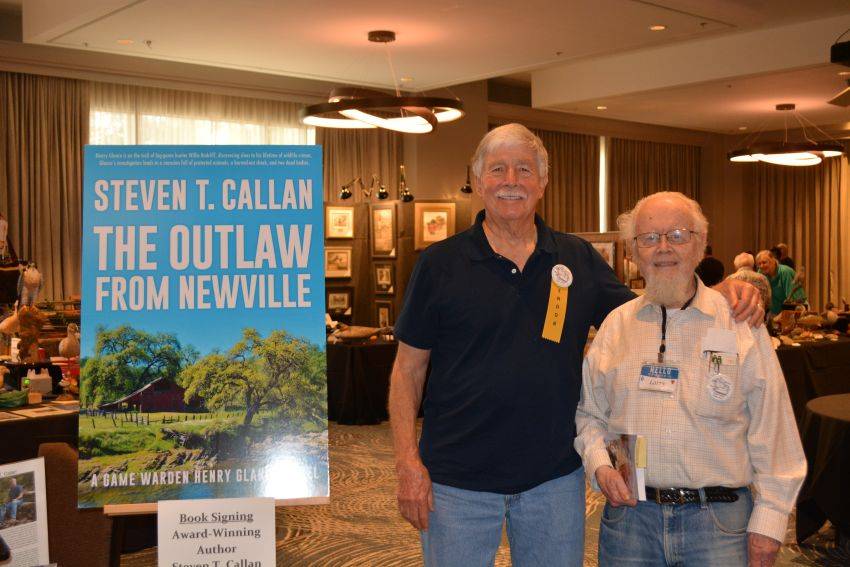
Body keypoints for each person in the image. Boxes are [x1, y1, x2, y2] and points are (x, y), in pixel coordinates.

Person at [389, 124, 763, 566]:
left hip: (553, 481)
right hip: (456, 483)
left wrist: (720, 291)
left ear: (543, 182)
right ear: (479, 179)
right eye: (498, 169)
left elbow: (650, 310)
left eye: (524, 169)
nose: (511, 180)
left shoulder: (576, 258)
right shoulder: (439, 264)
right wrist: (407, 464)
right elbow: (406, 370)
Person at [575, 192, 806, 567]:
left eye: (678, 235)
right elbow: (589, 415)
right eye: (649, 238)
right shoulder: (616, 326)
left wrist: (770, 521)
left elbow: (773, 427)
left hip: (719, 523)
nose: (663, 248)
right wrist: (601, 463)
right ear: (634, 252)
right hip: (631, 520)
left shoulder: (739, 322)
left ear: (700, 245)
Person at [756, 250, 806, 315]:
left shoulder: (785, 272)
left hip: (794, 310)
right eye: (759, 264)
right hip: (775, 312)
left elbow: (795, 300)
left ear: (773, 260)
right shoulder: (760, 273)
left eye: (764, 262)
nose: (761, 266)